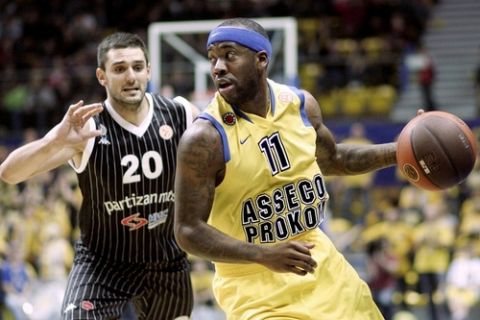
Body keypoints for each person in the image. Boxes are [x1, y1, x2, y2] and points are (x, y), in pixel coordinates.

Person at [174, 18, 400, 319]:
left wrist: (401, 151)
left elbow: (334, 160)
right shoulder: (204, 138)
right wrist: (262, 254)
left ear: (261, 59)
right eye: (213, 58)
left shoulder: (301, 105)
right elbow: (187, 230)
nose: (218, 67)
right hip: (256, 290)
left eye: (229, 55)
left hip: (324, 270)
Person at [0, 32, 199, 320]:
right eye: (119, 69)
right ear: (101, 76)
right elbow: (9, 173)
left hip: (164, 259)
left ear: (149, 71)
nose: (131, 76)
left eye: (137, 67)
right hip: (102, 262)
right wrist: (52, 142)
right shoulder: (86, 130)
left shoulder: (181, 114)